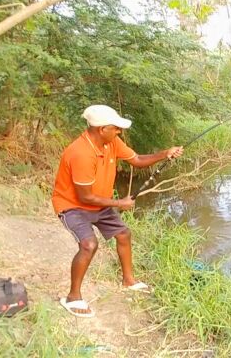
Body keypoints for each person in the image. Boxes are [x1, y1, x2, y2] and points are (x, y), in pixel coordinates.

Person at [52, 105, 184, 318]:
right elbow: (85, 197)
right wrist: (119, 203)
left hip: (99, 203)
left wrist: (165, 154)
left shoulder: (111, 141)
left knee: (124, 234)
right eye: (116, 128)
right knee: (89, 245)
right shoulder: (81, 153)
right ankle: (73, 297)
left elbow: (138, 161)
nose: (119, 132)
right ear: (102, 129)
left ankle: (128, 281)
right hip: (72, 205)